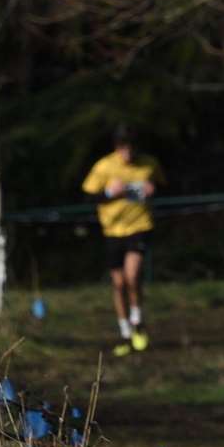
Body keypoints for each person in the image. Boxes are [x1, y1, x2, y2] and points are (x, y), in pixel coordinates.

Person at [81, 125, 165, 356]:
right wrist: (108, 193)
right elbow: (88, 196)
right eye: (122, 148)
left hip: (139, 226)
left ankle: (138, 320)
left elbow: (165, 185)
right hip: (112, 231)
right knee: (118, 284)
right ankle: (125, 332)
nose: (127, 153)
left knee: (132, 275)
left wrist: (153, 190)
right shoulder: (104, 166)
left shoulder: (149, 164)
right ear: (116, 148)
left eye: (131, 148)